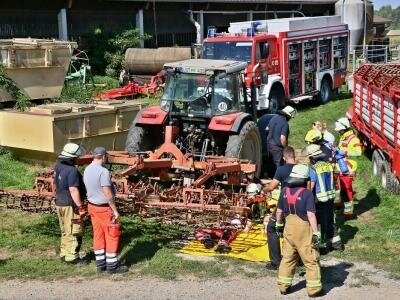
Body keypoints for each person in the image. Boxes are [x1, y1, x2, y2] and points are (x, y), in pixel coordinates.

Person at [276, 164, 322, 297]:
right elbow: (311, 215)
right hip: (304, 231)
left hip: (289, 229)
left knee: (288, 258)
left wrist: (279, 225)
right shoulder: (307, 194)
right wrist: (316, 232)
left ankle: (283, 287)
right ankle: (314, 290)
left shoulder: (284, 191)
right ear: (304, 179)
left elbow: (279, 212)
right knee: (310, 259)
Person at [83, 147, 128, 274]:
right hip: (103, 209)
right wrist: (115, 210)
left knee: (98, 235)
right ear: (103, 157)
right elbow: (107, 193)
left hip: (92, 206)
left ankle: (100, 263)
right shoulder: (103, 172)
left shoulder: (87, 169)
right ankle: (112, 265)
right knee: (112, 235)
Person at [303, 144, 343, 252]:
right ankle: (337, 244)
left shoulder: (312, 168)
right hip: (330, 198)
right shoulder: (328, 165)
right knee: (330, 220)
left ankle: (324, 247)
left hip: (319, 200)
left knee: (321, 223)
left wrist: (305, 198)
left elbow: (311, 186)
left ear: (312, 158)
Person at [262, 146, 296, 270]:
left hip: (285, 203)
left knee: (271, 228)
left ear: (284, 157)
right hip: (300, 203)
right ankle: (300, 258)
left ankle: (275, 262)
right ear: (294, 156)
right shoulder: (302, 169)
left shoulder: (281, 169)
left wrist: (263, 189)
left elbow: (271, 187)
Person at [54, 143, 88, 265]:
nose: (78, 159)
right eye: (77, 157)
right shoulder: (72, 170)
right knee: (75, 231)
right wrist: (80, 207)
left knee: (65, 230)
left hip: (60, 202)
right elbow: (73, 190)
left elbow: (56, 185)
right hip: (70, 205)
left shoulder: (58, 166)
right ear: (72, 157)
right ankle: (72, 258)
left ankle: (64, 254)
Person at [265, 105, 297, 177]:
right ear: (288, 115)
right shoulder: (285, 123)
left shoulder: (273, 118)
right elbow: (282, 138)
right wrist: (285, 148)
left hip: (269, 144)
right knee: (278, 164)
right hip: (277, 147)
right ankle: (278, 180)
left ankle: (270, 177)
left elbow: (266, 129)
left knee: (270, 161)